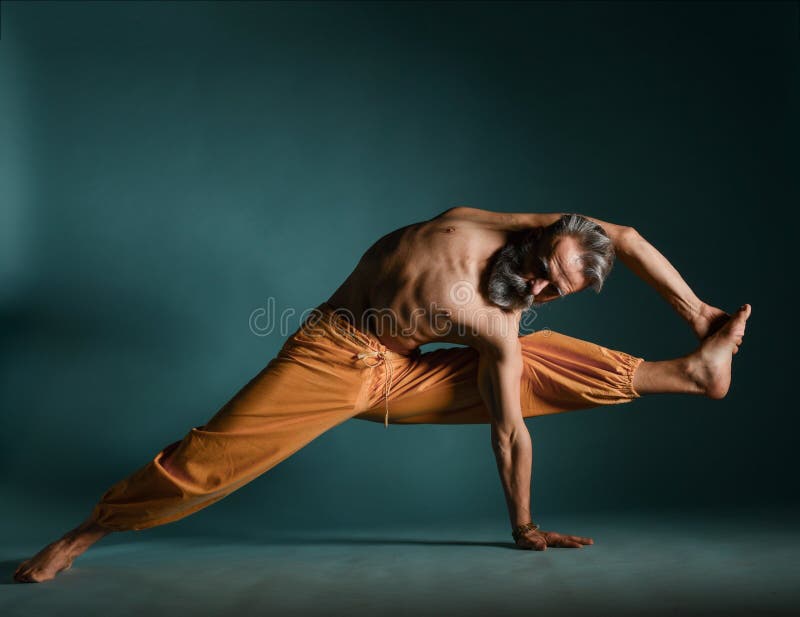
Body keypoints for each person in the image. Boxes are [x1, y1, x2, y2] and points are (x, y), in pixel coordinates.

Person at [13, 207, 751, 583]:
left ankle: (695, 370)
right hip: (334, 357)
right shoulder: (482, 309)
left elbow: (620, 234)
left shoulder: (516, 235)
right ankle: (87, 530)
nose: (537, 288)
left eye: (557, 289)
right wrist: (524, 525)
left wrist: (697, 314)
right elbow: (508, 434)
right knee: (214, 456)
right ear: (536, 237)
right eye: (539, 271)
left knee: (538, 356)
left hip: (405, 364)